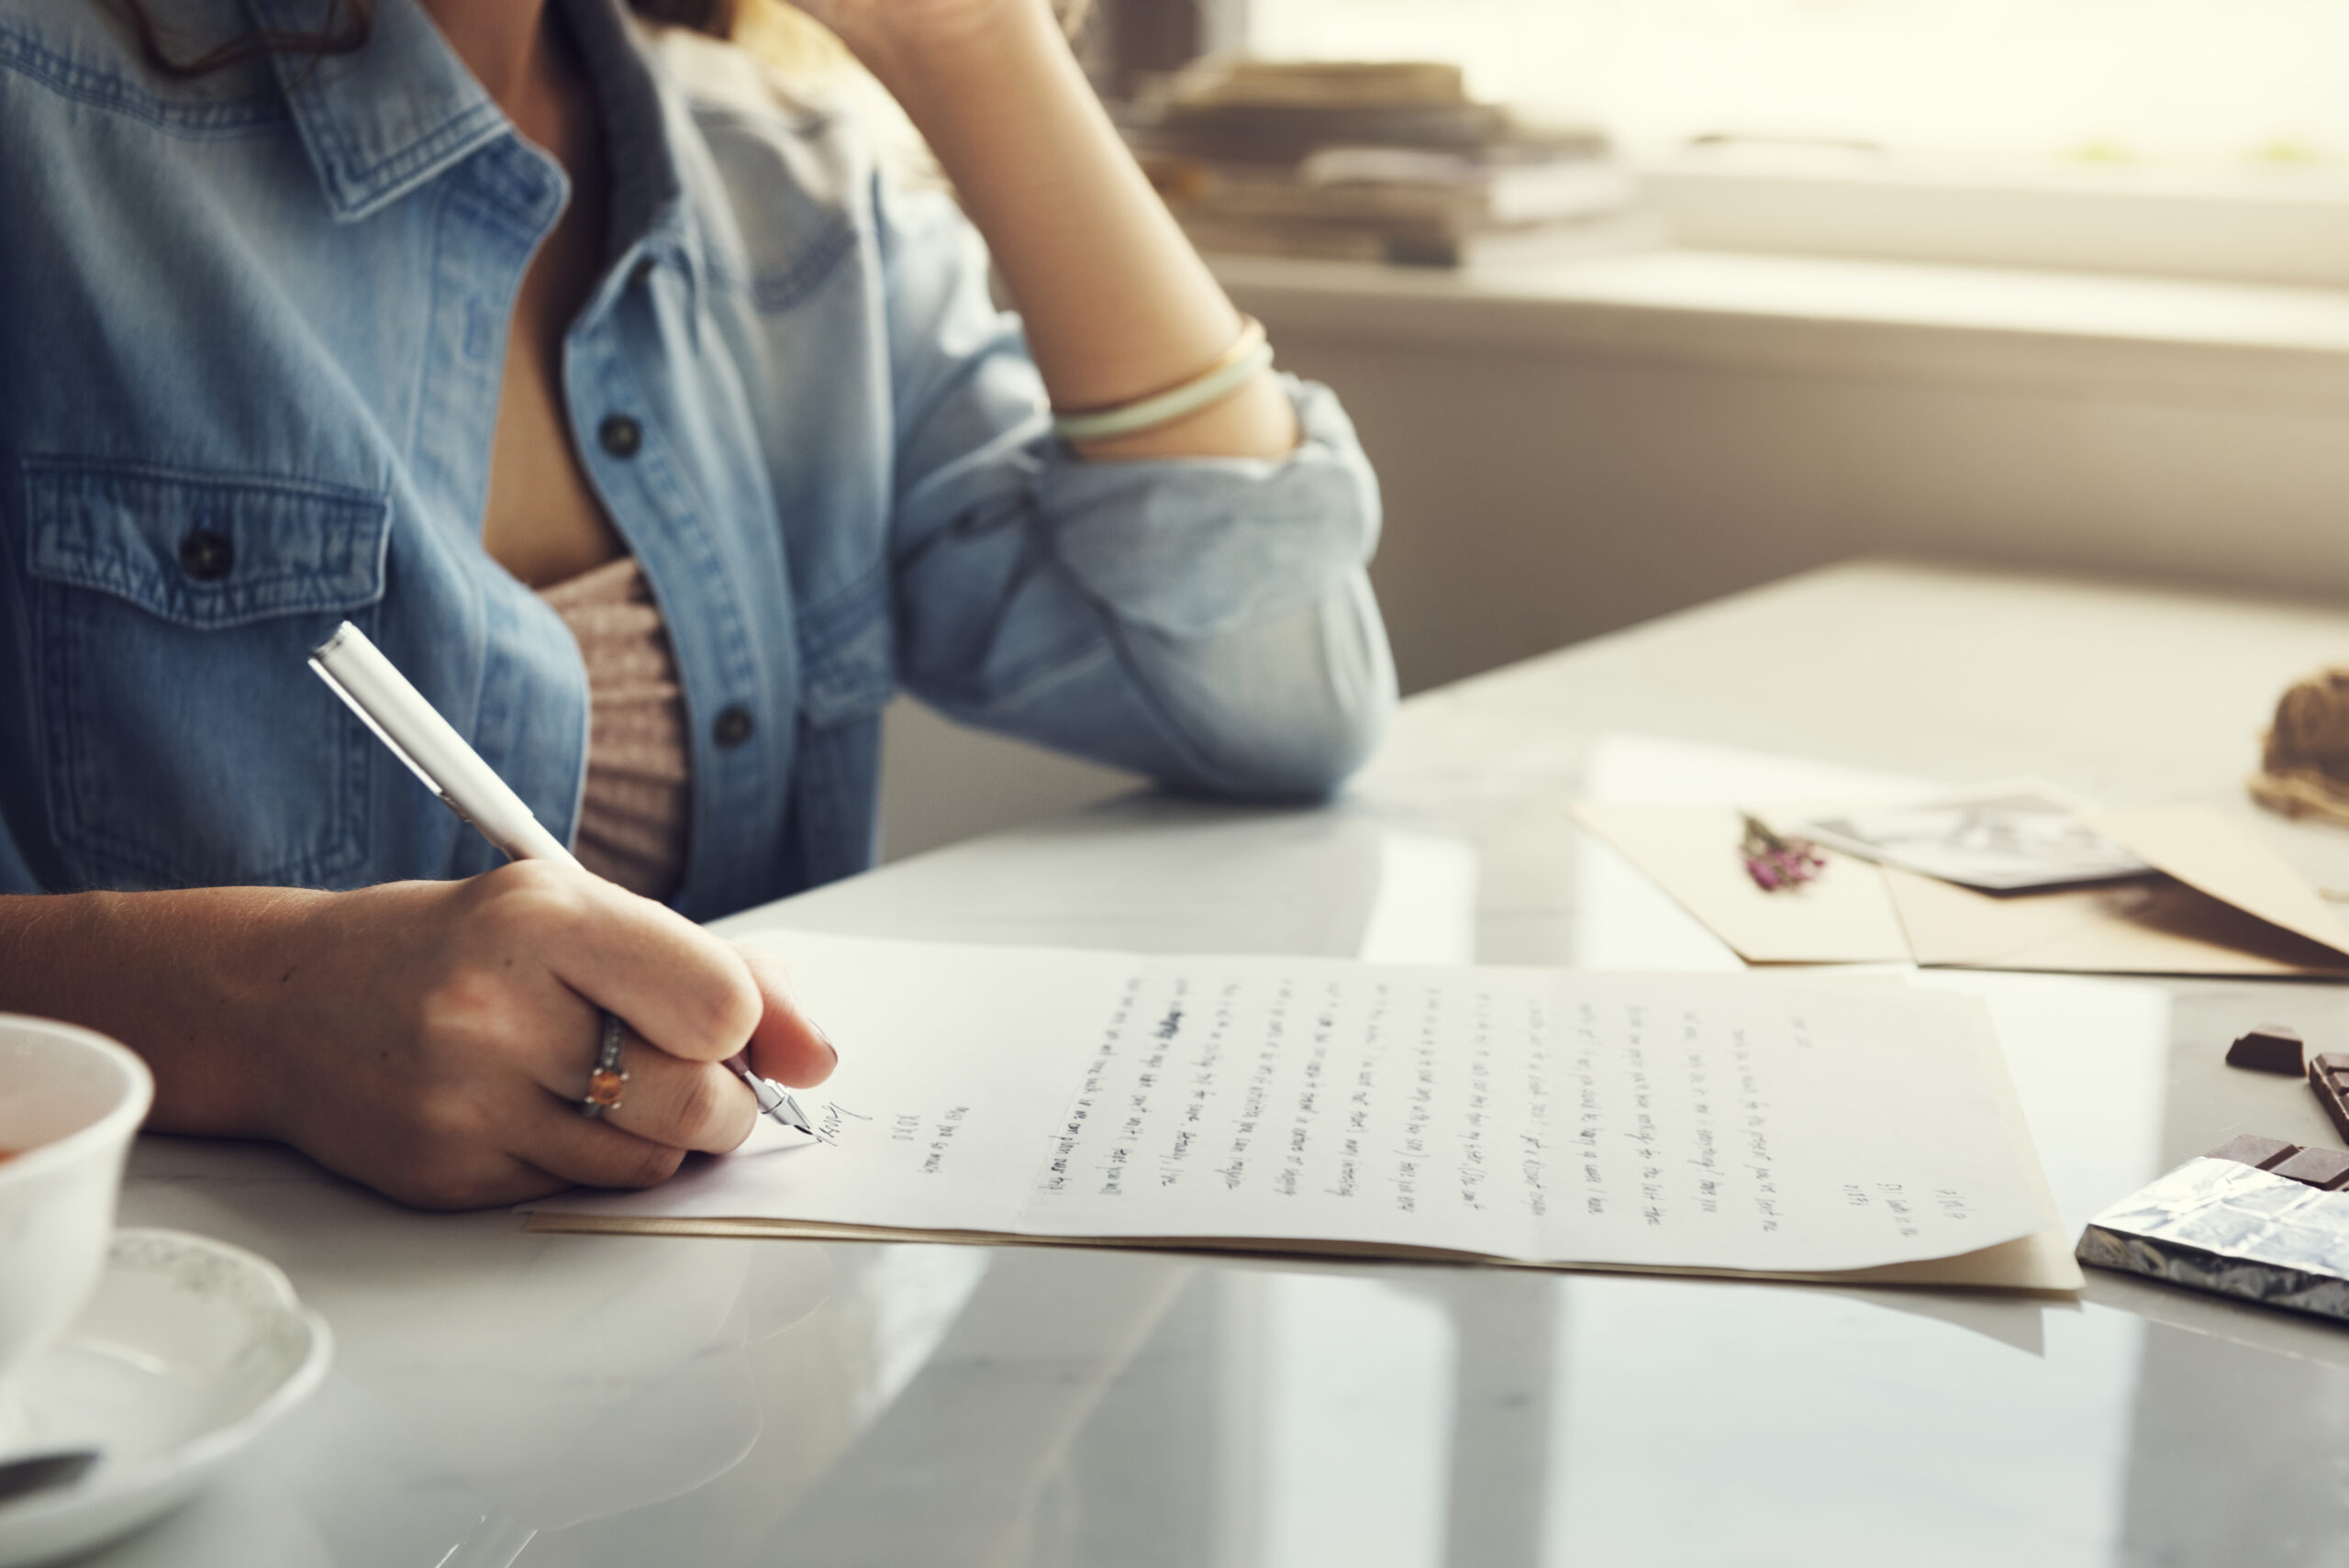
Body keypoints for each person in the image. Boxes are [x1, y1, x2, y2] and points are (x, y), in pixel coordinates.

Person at [0, 0, 1395, 1207]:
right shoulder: (40, 119)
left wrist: (975, 41)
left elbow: (1285, 697)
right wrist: (262, 1013)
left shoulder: (792, 195)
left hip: (719, 1403)